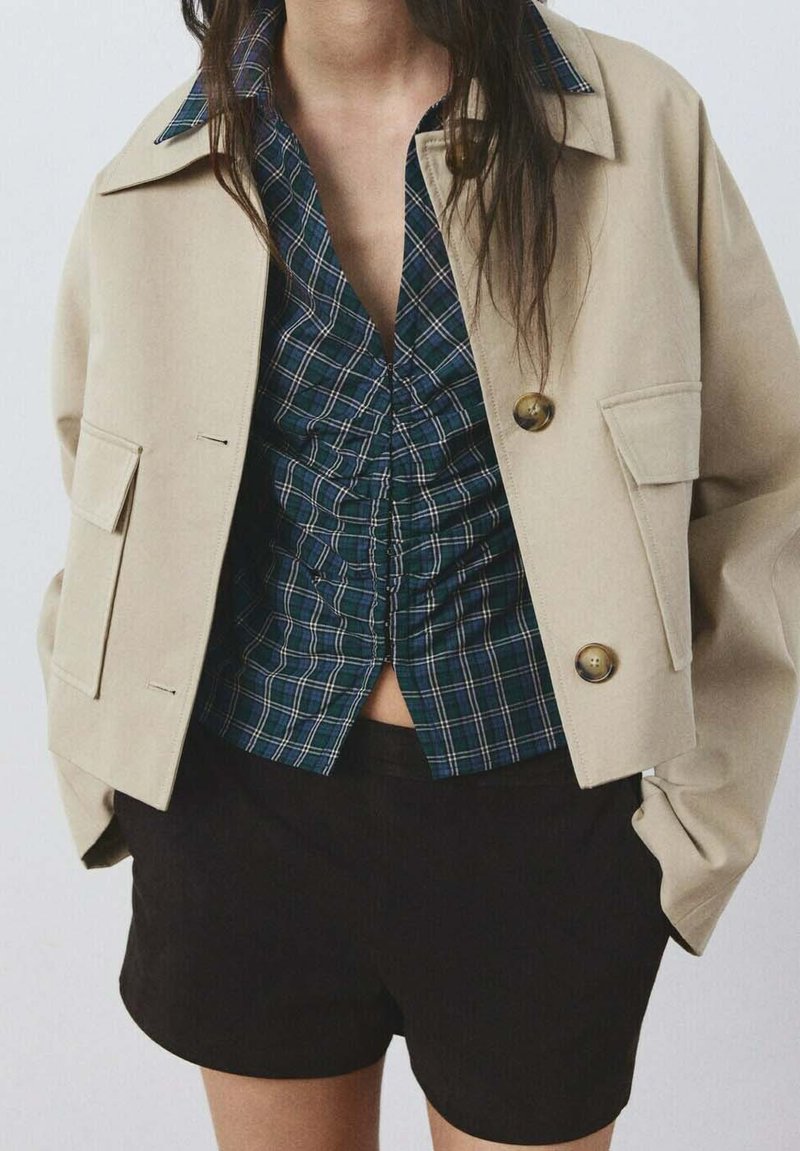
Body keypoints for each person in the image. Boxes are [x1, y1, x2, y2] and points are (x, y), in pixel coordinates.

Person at [36, 1, 800, 1148]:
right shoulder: (162, 166)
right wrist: (114, 776)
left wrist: (696, 823)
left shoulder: (637, 124)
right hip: (241, 810)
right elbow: (101, 484)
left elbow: (761, 480)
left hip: (543, 817)